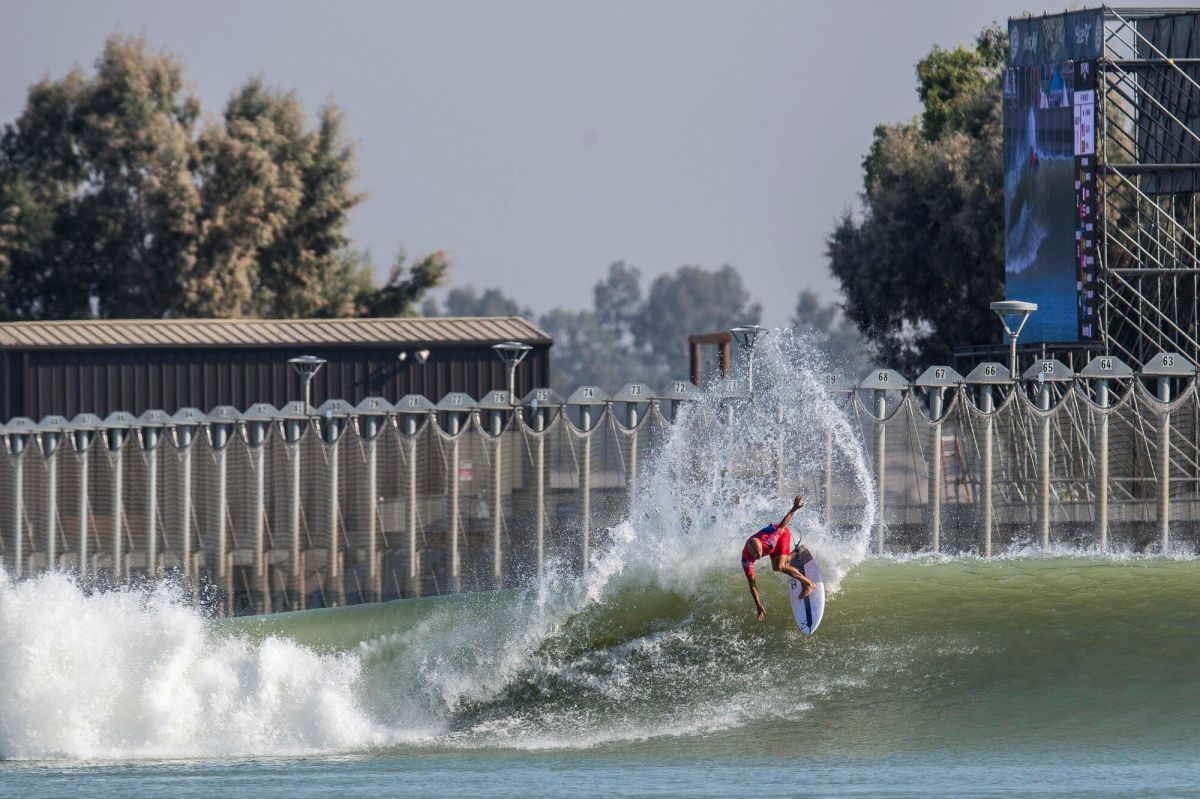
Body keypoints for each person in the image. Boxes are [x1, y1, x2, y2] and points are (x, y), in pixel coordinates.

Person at [741, 495, 815, 621]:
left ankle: (809, 584)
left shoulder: (770, 540)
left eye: (760, 552)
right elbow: (752, 584)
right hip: (772, 544)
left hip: (782, 535)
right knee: (776, 567)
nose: (759, 556)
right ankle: (797, 552)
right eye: (757, 554)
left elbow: (782, 525)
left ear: (761, 546)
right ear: (750, 551)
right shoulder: (746, 560)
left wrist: (794, 508)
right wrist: (758, 605)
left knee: (781, 566)